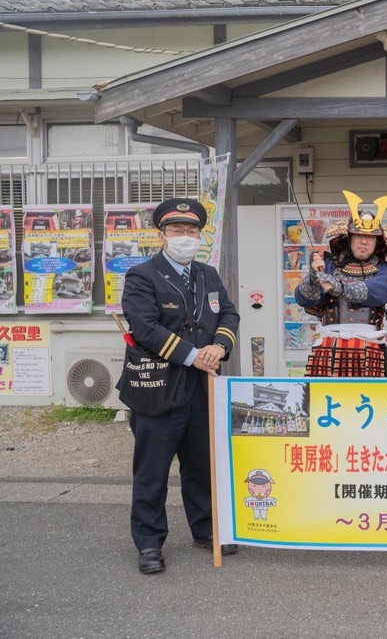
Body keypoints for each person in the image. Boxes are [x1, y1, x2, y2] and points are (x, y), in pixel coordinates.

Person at [120, 197, 240, 574]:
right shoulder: (142, 275)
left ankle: (206, 529)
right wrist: (193, 355)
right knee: (152, 470)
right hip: (158, 386)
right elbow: (145, 327)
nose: (184, 236)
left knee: (202, 464)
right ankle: (149, 542)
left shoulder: (208, 274)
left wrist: (219, 346)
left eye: (191, 230)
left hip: (202, 387)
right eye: (176, 230)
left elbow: (229, 313)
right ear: (162, 235)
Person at [294, 191, 387, 377]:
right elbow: (305, 300)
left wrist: (337, 286)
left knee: (367, 395)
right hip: (329, 344)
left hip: (368, 344)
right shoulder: (328, 264)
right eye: (358, 236)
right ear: (349, 238)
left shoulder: (385, 269)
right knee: (325, 395)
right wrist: (313, 277)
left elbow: (376, 292)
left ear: (377, 242)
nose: (364, 242)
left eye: (370, 237)